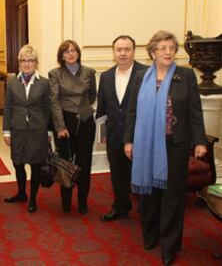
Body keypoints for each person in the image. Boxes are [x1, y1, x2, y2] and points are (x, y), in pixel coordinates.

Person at [124, 30, 207, 266]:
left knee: (173, 197)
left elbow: (194, 110)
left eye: (172, 48)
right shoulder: (141, 76)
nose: (168, 52)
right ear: (152, 52)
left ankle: (170, 246)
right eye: (162, 48)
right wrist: (129, 140)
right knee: (147, 193)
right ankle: (150, 236)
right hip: (146, 144)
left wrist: (199, 141)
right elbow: (132, 111)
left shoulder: (186, 75)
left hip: (176, 145)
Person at [96, 35, 147, 222]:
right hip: (114, 135)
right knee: (117, 174)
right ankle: (121, 206)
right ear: (113, 52)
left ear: (134, 51)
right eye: (119, 50)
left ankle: (146, 208)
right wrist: (103, 133)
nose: (123, 53)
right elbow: (102, 108)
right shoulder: (106, 76)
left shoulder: (147, 73)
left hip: (139, 135)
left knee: (141, 174)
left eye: (127, 49)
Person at [49, 39, 96, 214]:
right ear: (61, 56)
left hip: (85, 121)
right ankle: (66, 202)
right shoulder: (55, 74)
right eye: (66, 51)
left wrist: (81, 110)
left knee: (85, 164)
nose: (70, 54)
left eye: (73, 50)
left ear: (78, 53)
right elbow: (54, 101)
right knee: (65, 164)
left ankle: (83, 201)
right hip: (64, 123)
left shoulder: (89, 72)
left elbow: (92, 96)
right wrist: (60, 127)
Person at [2, 45, 50, 213]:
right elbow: (8, 108)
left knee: (35, 165)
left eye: (31, 60)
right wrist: (6, 131)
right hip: (18, 130)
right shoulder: (12, 82)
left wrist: (48, 131)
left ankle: (33, 198)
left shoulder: (44, 83)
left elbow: (48, 109)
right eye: (24, 60)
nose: (27, 64)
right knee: (18, 163)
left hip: (37, 130)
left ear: (36, 63)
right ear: (19, 63)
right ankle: (21, 193)